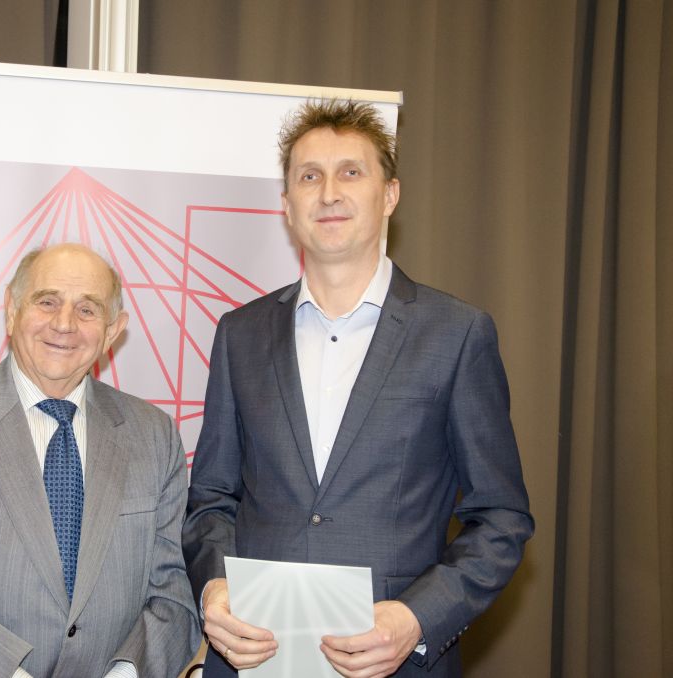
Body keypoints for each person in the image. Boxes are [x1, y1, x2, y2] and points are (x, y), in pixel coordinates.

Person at [182, 100, 534, 677]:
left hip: (394, 665)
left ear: (389, 195)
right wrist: (215, 588)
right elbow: (211, 500)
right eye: (309, 176)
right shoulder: (239, 334)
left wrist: (417, 618)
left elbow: (501, 519)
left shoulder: (457, 334)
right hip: (252, 660)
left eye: (351, 172)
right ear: (287, 204)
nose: (328, 193)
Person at [0, 243, 200, 678]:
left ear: (112, 330)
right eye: (47, 302)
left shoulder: (154, 435)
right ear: (12, 310)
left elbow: (172, 592)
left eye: (87, 309)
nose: (64, 324)